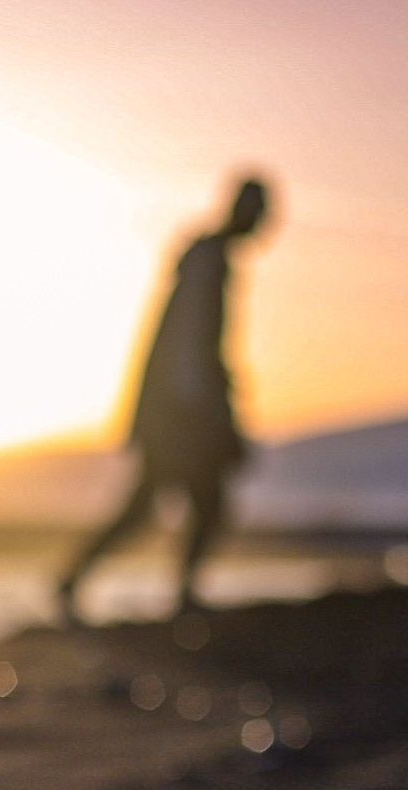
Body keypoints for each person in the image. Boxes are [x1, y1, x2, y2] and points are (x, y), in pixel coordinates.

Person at [59, 176, 273, 624]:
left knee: (160, 504)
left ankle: (84, 582)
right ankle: (169, 594)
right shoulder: (208, 262)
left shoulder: (209, 260)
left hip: (177, 408)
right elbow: (191, 346)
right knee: (189, 504)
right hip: (181, 412)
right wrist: (207, 413)